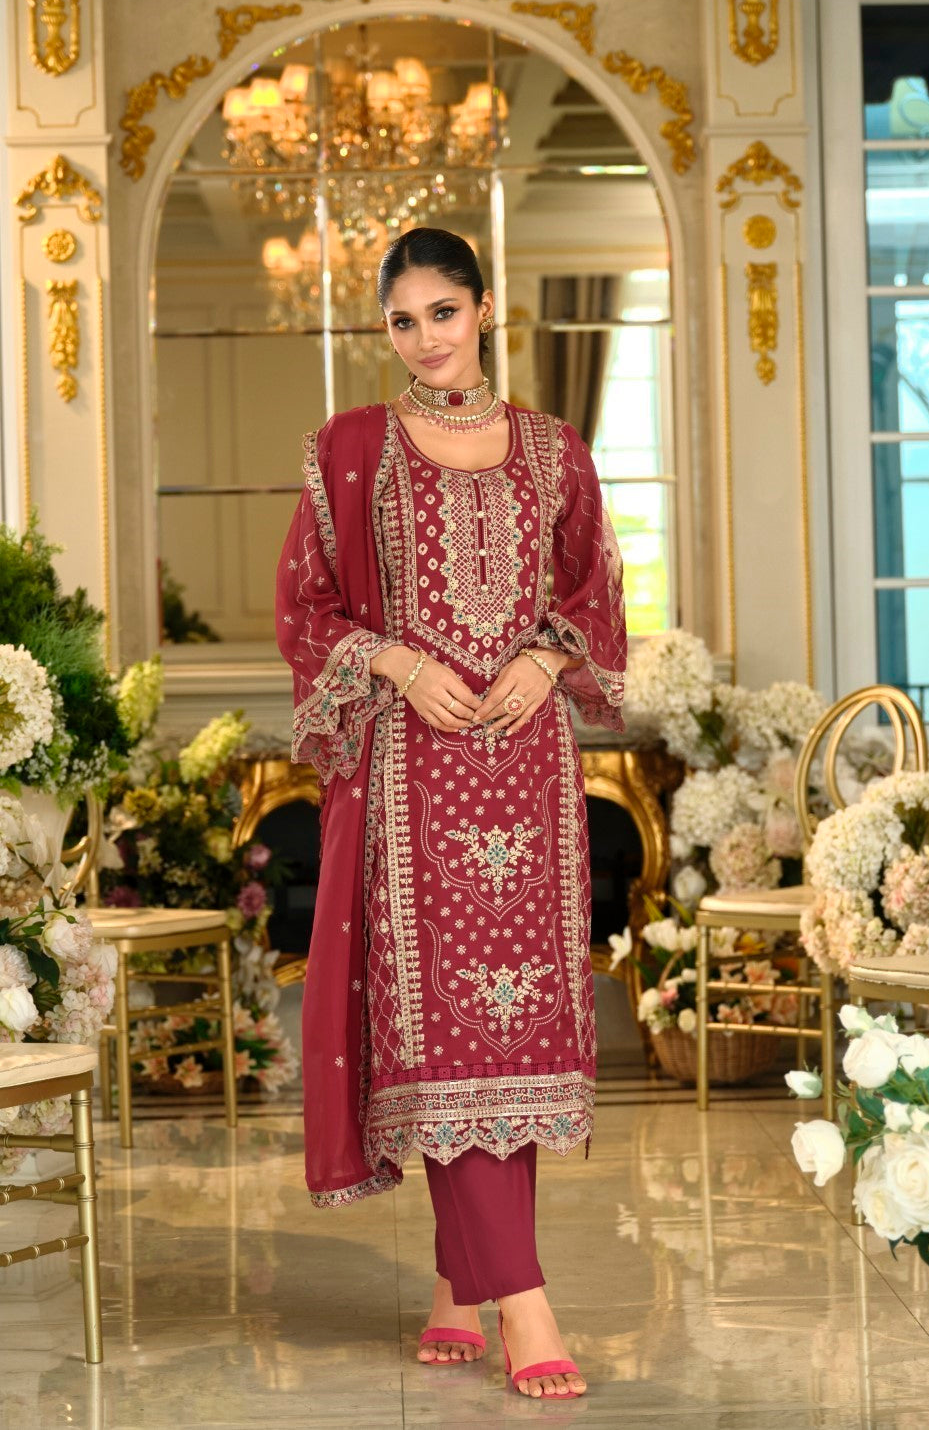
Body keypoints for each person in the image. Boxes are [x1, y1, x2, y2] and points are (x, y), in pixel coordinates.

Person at [275, 227, 627, 1399]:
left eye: (443, 311)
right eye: (402, 320)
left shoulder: (554, 448)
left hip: (527, 768)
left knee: (513, 1028)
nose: (426, 337)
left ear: (484, 310)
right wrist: (397, 662)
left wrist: (544, 657)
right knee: (443, 1036)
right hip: (410, 772)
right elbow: (306, 607)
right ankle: (525, 1302)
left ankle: (454, 1281)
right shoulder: (350, 449)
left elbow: (594, 589)